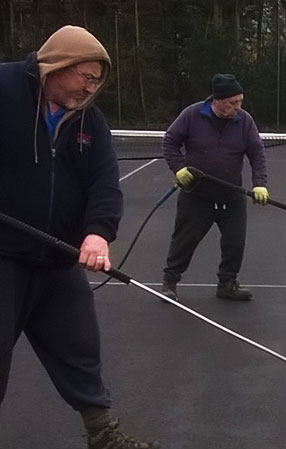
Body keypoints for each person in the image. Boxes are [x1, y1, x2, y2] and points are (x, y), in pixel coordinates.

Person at [0, 26, 159, 449]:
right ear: (58, 66)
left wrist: (97, 234)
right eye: (86, 77)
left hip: (58, 257)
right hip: (4, 255)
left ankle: (103, 434)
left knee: (79, 345)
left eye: (98, 80)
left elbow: (105, 182)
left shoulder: (90, 119)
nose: (92, 88)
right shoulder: (5, 89)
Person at [161, 73, 269, 302]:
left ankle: (227, 284)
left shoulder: (244, 121)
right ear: (217, 101)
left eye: (240, 101)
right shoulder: (191, 115)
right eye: (233, 103)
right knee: (184, 241)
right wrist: (179, 168)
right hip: (197, 196)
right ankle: (170, 282)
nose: (238, 107)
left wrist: (260, 183)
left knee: (235, 243)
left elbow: (257, 153)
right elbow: (170, 141)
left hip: (232, 196)